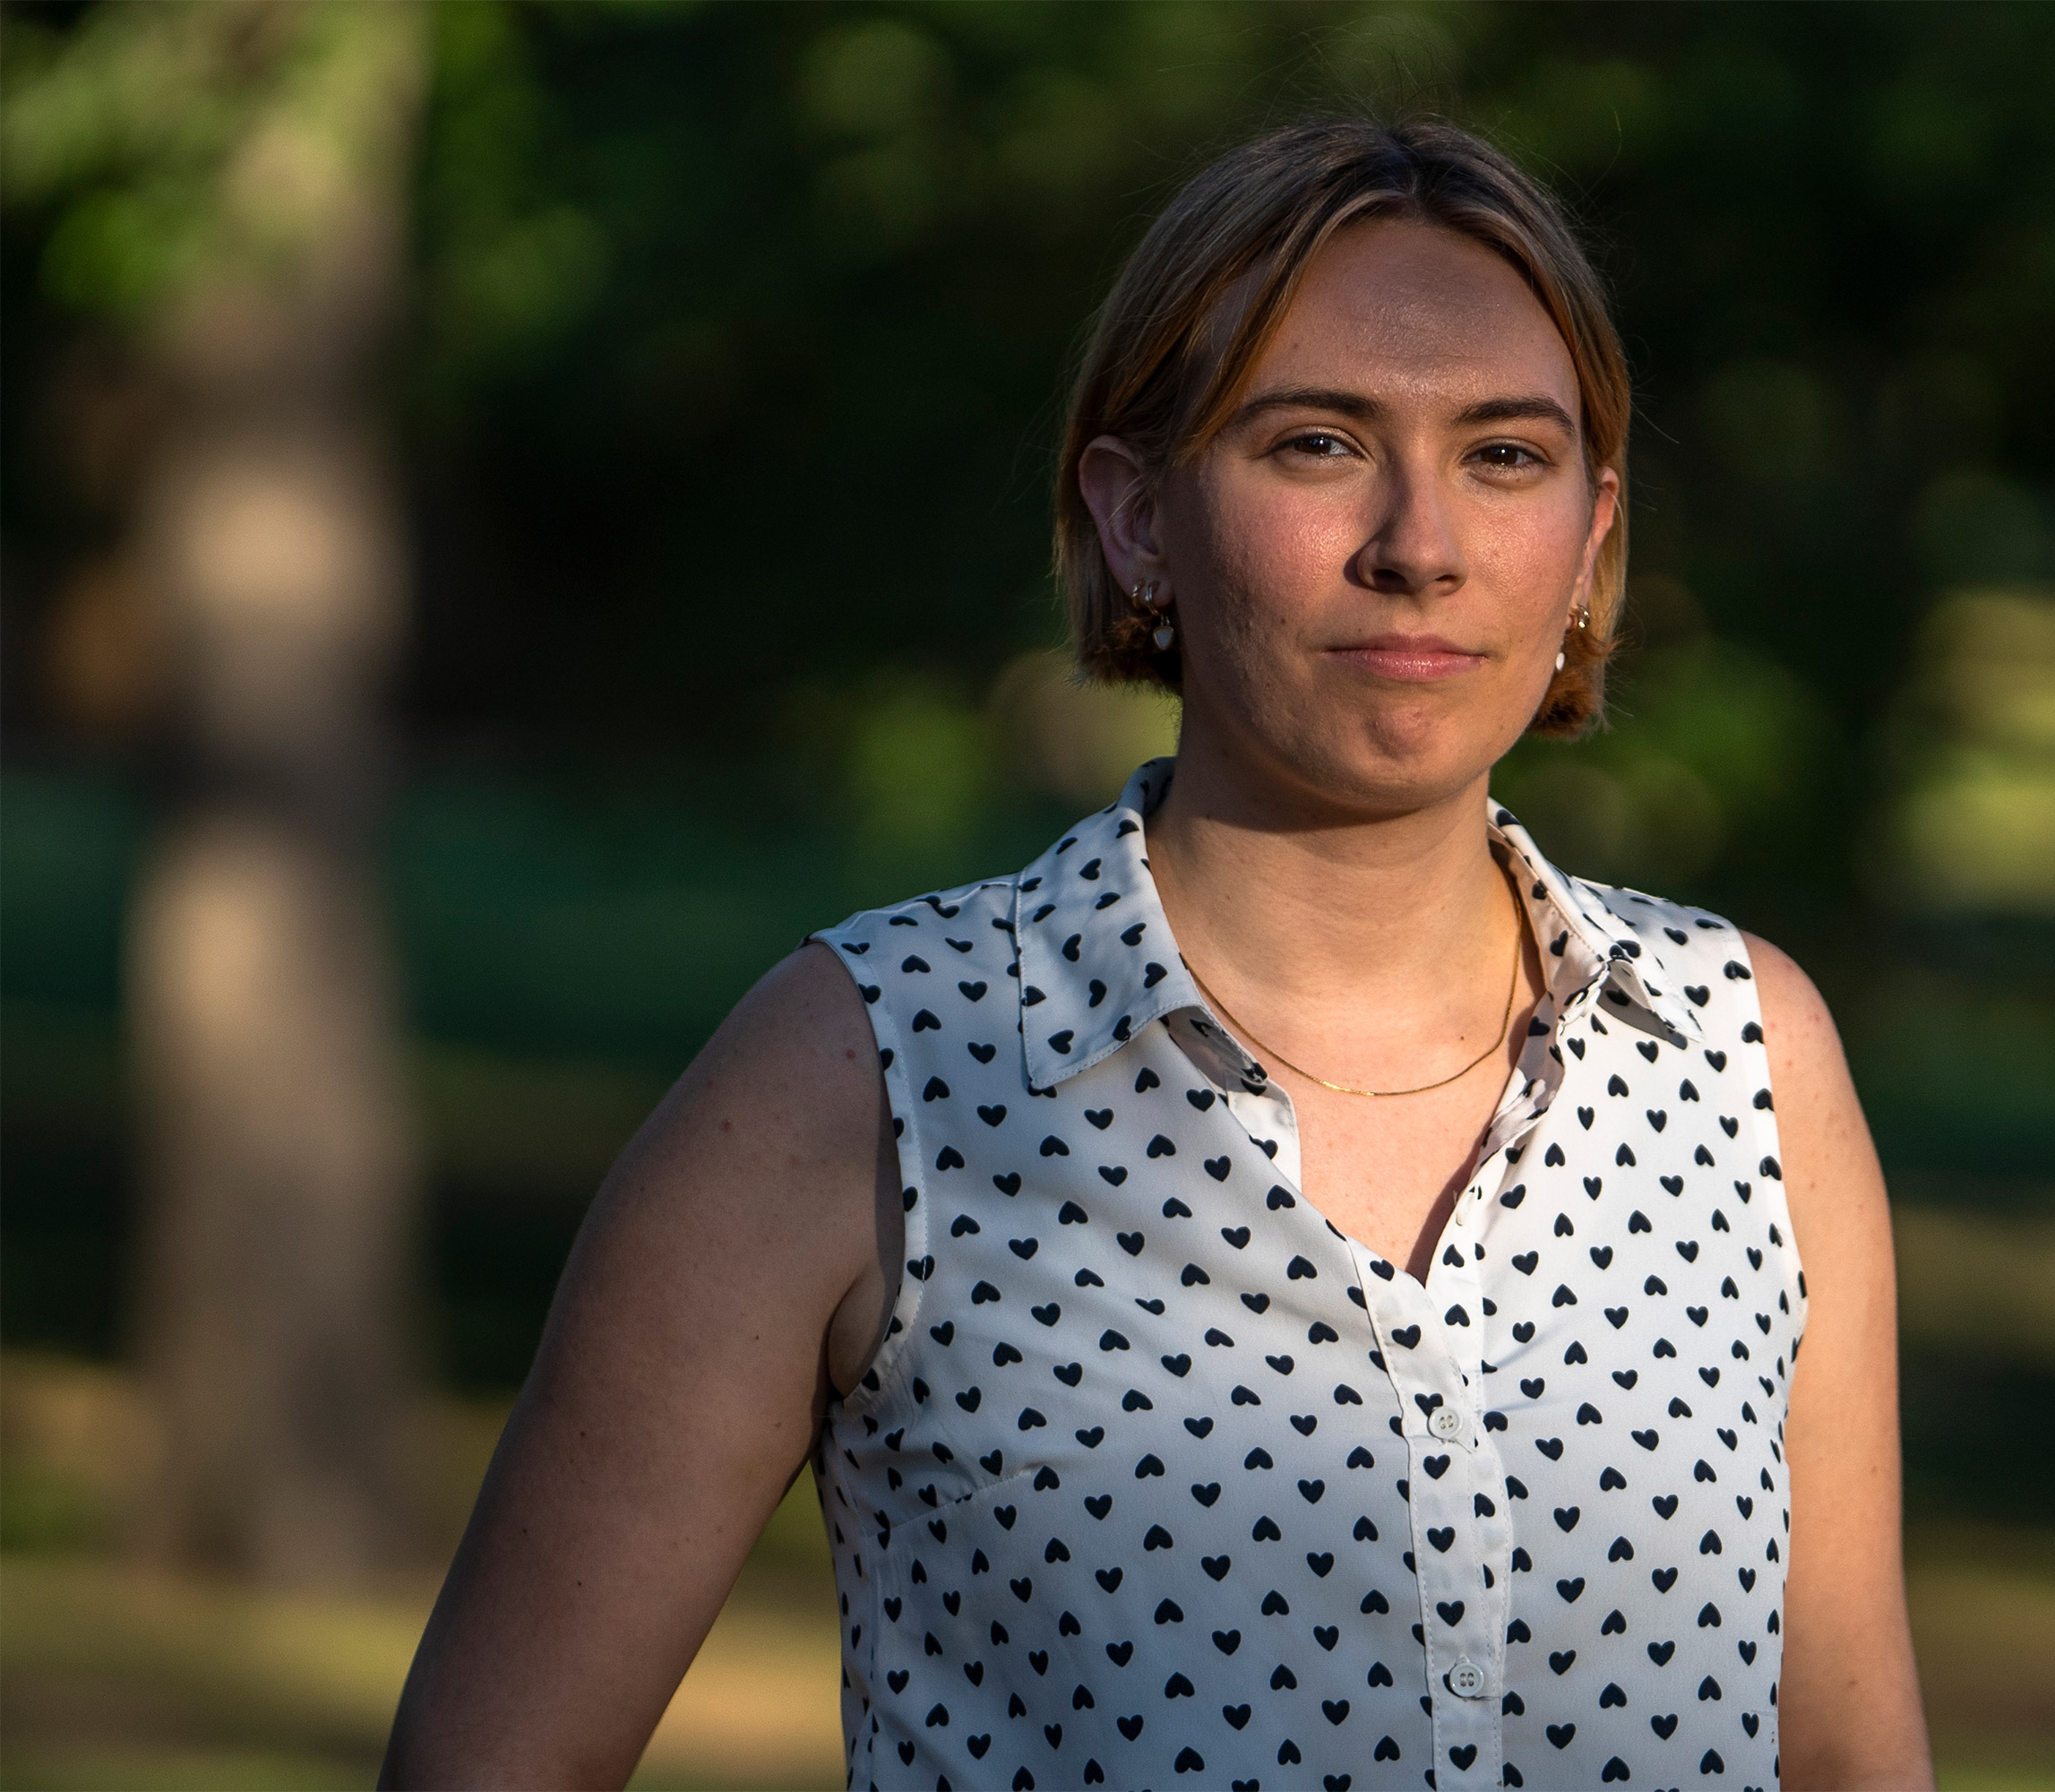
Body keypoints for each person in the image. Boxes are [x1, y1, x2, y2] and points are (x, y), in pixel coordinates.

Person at [383, 116, 1930, 1792]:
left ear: (1591, 534)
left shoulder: (1742, 1056)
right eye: (1319, 444)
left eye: (1504, 455)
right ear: (1134, 521)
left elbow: (1850, 1756)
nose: (1421, 542)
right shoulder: (868, 1074)